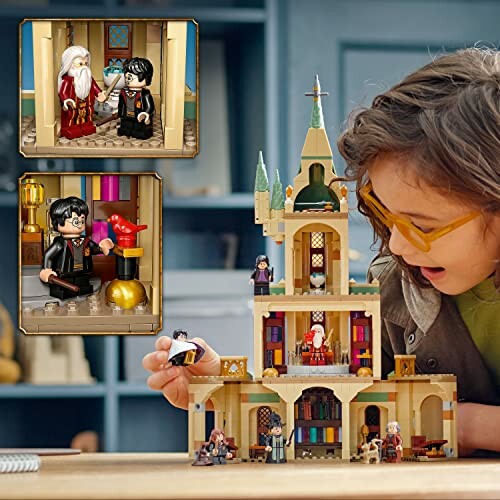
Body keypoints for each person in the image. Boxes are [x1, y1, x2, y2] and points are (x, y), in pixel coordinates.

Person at [143, 48, 500, 456]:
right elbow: (339, 416)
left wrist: (466, 424)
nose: (398, 245)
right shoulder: (394, 289)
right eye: (386, 216)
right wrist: (220, 387)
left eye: (423, 226)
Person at [40, 196, 114, 300]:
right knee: (65, 290)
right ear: (58, 223)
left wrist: (102, 247)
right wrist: (47, 269)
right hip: (64, 276)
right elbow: (49, 255)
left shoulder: (86, 241)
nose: (79, 225)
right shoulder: (60, 243)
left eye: (82, 221)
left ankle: (82, 290)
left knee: (83, 287)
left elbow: (94, 249)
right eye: (75, 221)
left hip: (83, 273)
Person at [58, 46, 107, 139]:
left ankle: (86, 126)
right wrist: (66, 100)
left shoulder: (88, 79)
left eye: (86, 63)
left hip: (87, 105)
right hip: (73, 107)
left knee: (88, 116)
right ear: (69, 65)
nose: (84, 67)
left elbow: (95, 88)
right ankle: (71, 129)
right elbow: (63, 92)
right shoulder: (67, 81)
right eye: (80, 64)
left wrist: (100, 94)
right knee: (72, 117)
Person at [117, 57, 155, 140]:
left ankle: (140, 133)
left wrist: (145, 113)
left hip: (138, 117)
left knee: (139, 128)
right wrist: (119, 111)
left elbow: (150, 106)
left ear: (144, 78)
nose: (127, 80)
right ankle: (126, 131)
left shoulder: (145, 94)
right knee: (126, 126)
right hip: (126, 115)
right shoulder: (123, 92)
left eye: (130, 78)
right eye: (126, 77)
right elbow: (121, 103)